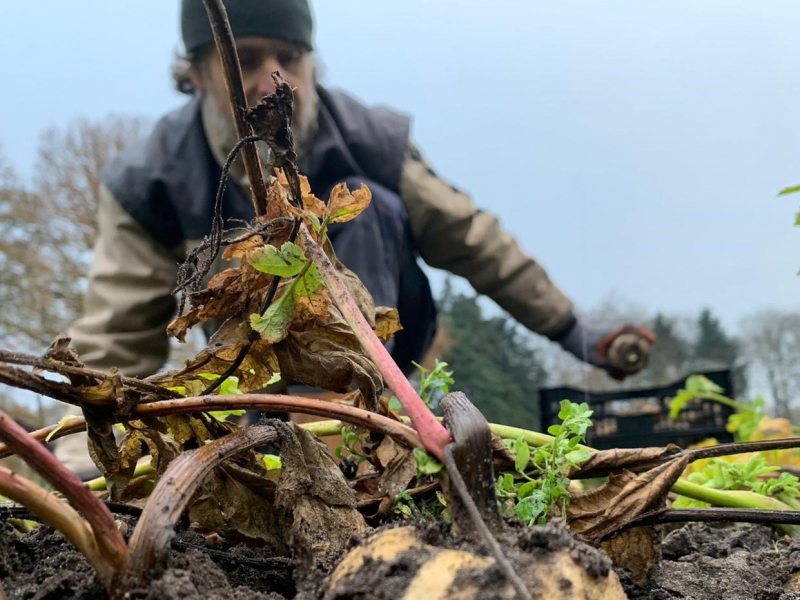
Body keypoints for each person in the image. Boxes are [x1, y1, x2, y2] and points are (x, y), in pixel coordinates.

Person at [54, 0, 655, 478]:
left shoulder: (369, 141)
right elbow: (116, 335)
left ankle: (358, 438)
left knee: (358, 203)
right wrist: (82, 463)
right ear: (198, 73)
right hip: (252, 371)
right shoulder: (152, 182)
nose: (272, 78)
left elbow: (475, 242)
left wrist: (576, 333)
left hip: (383, 345)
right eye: (244, 58)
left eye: (289, 56)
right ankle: (285, 440)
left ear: (313, 64)